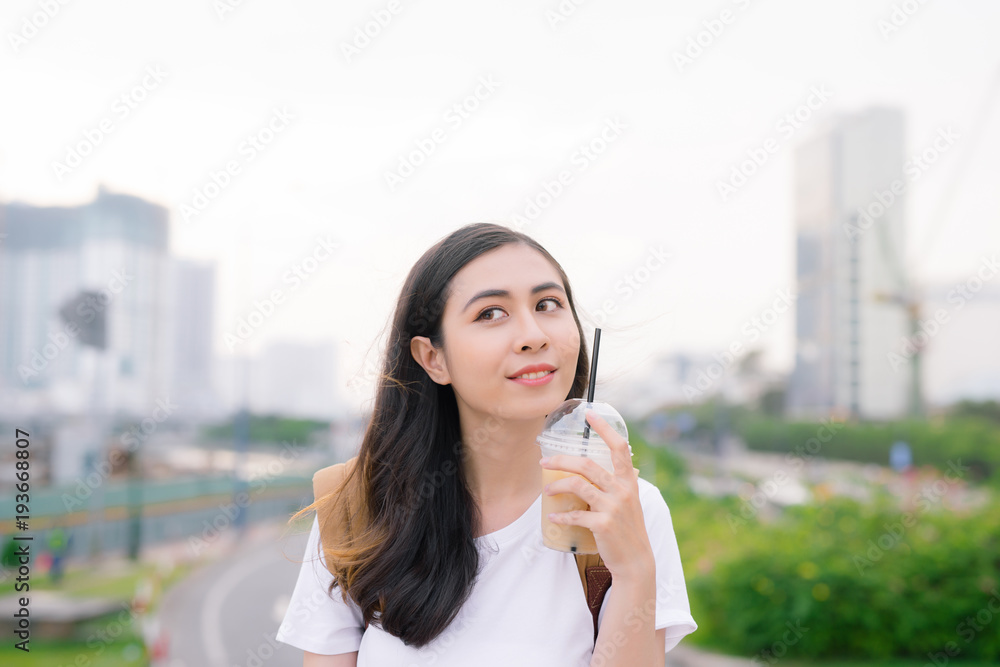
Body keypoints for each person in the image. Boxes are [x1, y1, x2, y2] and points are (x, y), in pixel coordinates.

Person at [276, 223, 697, 666]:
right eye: (491, 313)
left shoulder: (631, 511)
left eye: (548, 304)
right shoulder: (359, 508)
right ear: (433, 358)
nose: (534, 335)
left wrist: (633, 572)